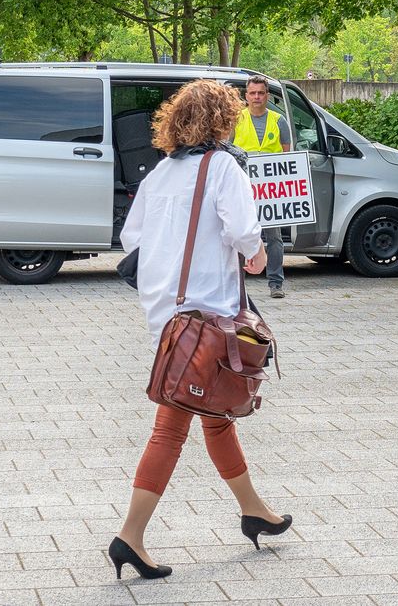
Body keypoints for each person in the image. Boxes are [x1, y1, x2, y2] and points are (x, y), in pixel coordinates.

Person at [111, 79, 291, 580]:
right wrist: (255, 256)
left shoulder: (160, 173)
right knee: (173, 425)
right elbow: (243, 233)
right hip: (208, 312)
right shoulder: (224, 168)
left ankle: (254, 511)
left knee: (214, 409)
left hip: (166, 314)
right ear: (221, 119)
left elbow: (132, 239)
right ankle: (130, 536)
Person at [232, 75, 291, 298]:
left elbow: (287, 155)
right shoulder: (236, 119)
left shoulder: (279, 121)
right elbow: (227, 151)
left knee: (274, 238)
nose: (257, 97)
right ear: (246, 96)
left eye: (261, 93)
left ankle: (276, 283)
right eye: (253, 93)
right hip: (242, 189)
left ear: (267, 95)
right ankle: (236, 285)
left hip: (270, 192)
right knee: (238, 235)